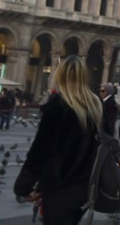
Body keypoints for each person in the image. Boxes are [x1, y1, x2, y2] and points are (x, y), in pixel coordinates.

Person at [13, 55, 101, 224]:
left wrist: (23, 186)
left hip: (59, 188)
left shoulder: (57, 107)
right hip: (84, 189)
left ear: (60, 76)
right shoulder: (95, 108)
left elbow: (40, 151)